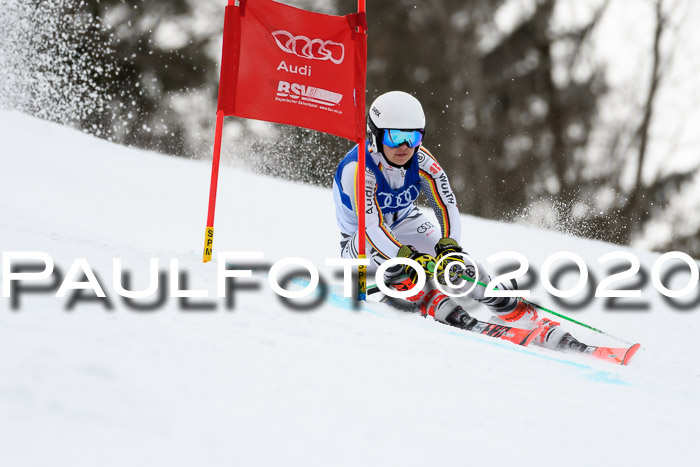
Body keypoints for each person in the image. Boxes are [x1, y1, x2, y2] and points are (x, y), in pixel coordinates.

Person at [332, 90, 586, 351]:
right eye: (395, 136)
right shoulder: (358, 169)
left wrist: (450, 248)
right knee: (399, 264)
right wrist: (406, 255)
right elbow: (371, 227)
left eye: (413, 137)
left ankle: (518, 314)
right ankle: (432, 303)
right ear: (375, 134)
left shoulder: (421, 161)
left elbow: (446, 204)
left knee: (459, 267)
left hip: (405, 222)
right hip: (360, 243)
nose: (404, 147)